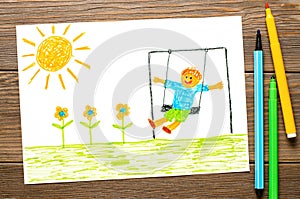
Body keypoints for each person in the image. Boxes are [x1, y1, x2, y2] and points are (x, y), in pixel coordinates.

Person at [148, 67, 223, 134]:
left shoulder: (196, 88)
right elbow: (170, 83)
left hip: (185, 109)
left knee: (178, 120)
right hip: (175, 107)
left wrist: (215, 86)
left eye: (191, 78)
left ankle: (169, 128)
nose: (187, 79)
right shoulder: (178, 86)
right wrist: (159, 80)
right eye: (186, 77)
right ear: (182, 77)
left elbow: (206, 88)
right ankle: (155, 124)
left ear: (197, 81)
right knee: (167, 117)